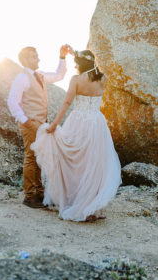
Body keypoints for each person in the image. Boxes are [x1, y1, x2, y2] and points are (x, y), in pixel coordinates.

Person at [31, 49, 121, 221]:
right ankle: (92, 206)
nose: (74, 66)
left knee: (75, 162)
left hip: (79, 121)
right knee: (94, 163)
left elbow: (66, 102)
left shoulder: (76, 80)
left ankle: (78, 204)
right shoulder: (102, 78)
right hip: (96, 122)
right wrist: (75, 53)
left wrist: (54, 125)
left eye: (76, 63)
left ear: (80, 64)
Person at [7, 45, 70, 208]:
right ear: (27, 59)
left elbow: (59, 75)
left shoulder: (39, 75)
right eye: (35, 56)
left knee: (38, 157)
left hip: (41, 123)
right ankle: (29, 196)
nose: (39, 59)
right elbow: (12, 100)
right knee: (30, 157)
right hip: (30, 123)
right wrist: (24, 119)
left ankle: (39, 192)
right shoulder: (22, 78)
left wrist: (62, 57)